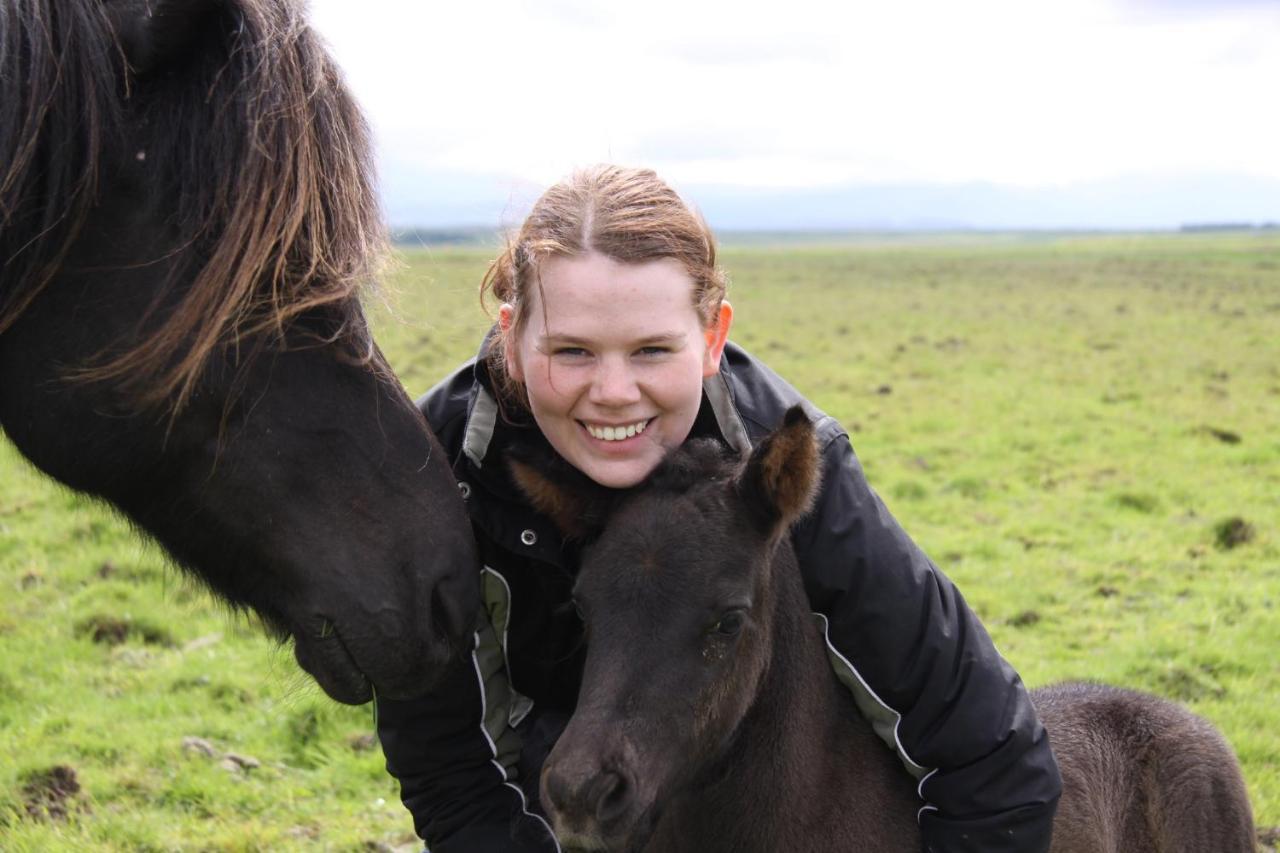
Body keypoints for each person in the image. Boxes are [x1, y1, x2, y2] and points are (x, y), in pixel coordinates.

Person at [376, 165, 1062, 853]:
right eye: (572, 350)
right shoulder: (433, 479)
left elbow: (990, 752)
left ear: (711, 338)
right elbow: (449, 766)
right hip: (562, 797)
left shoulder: (786, 462)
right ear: (513, 340)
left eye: (651, 349)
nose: (614, 391)